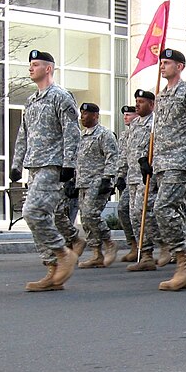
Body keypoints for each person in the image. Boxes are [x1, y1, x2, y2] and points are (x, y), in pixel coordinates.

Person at [139, 48, 186, 291]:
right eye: (161, 62)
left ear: (180, 66)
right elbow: (157, 130)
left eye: (168, 62)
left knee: (163, 208)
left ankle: (183, 258)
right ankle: (185, 265)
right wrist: (147, 158)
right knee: (169, 211)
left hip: (180, 162)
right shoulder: (161, 96)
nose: (163, 66)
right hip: (162, 162)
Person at [10, 50, 81, 291]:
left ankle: (63, 253)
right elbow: (23, 135)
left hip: (53, 165)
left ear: (48, 68)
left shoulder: (61, 96)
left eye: (35, 64)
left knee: (32, 213)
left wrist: (69, 165)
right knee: (37, 217)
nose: (30, 68)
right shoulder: (31, 101)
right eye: (30, 65)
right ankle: (52, 270)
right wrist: (15, 165)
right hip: (34, 164)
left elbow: (72, 132)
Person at [75, 102, 120, 268]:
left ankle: (109, 241)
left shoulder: (104, 134)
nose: (82, 117)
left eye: (86, 114)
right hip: (83, 182)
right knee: (85, 220)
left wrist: (108, 178)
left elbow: (112, 157)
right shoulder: (81, 136)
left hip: (98, 181)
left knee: (90, 214)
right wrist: (73, 180)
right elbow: (77, 160)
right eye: (81, 114)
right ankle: (96, 253)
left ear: (95, 115)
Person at [121, 89, 161, 271]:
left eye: (142, 102)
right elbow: (127, 151)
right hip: (133, 176)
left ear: (152, 105)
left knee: (143, 213)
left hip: (148, 176)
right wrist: (121, 174)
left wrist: (151, 163)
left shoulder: (156, 123)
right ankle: (144, 254)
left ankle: (161, 247)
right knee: (134, 216)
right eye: (136, 101)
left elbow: (160, 148)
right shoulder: (135, 125)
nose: (137, 105)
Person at [115, 105, 138, 262]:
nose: (125, 117)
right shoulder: (124, 136)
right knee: (123, 209)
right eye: (124, 115)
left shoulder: (150, 128)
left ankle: (166, 246)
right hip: (130, 179)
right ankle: (134, 245)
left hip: (145, 178)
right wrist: (119, 176)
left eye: (129, 114)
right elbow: (122, 157)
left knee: (150, 213)